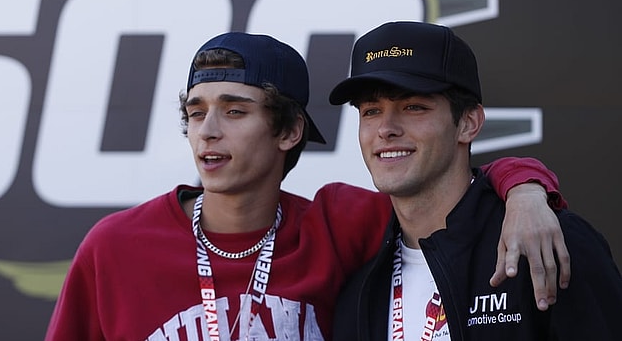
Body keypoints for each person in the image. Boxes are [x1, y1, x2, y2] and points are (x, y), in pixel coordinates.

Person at [45, 32, 568, 341]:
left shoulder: (339, 224)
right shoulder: (115, 247)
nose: (208, 130)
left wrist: (522, 186)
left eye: (234, 110)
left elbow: (440, 191)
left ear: (289, 131)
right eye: (196, 112)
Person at [330, 21, 622, 340]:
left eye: (414, 107)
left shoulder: (547, 242)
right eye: (371, 111)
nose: (386, 129)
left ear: (468, 123)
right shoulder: (357, 295)